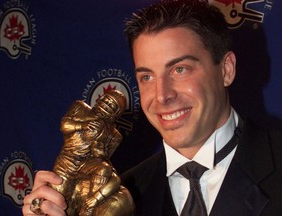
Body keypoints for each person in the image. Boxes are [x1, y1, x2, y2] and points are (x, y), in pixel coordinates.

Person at [22, 0, 282, 215]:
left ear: (226, 70)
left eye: (180, 69)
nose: (162, 95)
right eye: (147, 77)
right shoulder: (116, 198)